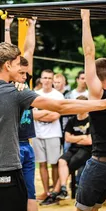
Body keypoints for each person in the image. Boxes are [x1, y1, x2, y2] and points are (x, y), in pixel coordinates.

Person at [0, 41, 106, 211]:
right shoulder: (14, 92)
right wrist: (105, 103)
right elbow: (60, 106)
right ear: (7, 65)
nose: (21, 68)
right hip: (4, 170)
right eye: (17, 64)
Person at [73, 9, 106, 211]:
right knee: (95, 207)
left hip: (101, 162)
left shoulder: (98, 94)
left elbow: (89, 53)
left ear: (96, 77)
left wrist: (85, 18)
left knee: (82, 210)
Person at [5, 16, 39, 211]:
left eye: (26, 74)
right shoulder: (8, 87)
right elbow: (7, 54)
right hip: (14, 145)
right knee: (16, 195)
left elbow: (28, 52)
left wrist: (31, 26)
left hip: (25, 145)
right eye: (22, 73)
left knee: (30, 194)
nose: (25, 76)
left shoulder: (25, 85)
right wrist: (8, 27)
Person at [40, 95, 92, 206]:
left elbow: (89, 141)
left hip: (87, 150)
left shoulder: (91, 120)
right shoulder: (72, 121)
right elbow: (68, 138)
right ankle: (63, 188)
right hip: (74, 148)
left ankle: (56, 192)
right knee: (62, 161)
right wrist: (82, 137)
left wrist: (76, 138)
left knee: (71, 164)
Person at [33, 69, 64, 200]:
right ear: (40, 79)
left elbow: (56, 116)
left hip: (53, 134)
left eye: (49, 78)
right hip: (37, 134)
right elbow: (32, 115)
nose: (47, 81)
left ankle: (54, 193)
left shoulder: (58, 96)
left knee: (55, 164)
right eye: (44, 78)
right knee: (42, 164)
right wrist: (48, 112)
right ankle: (46, 192)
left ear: (52, 80)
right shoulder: (34, 94)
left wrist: (41, 114)